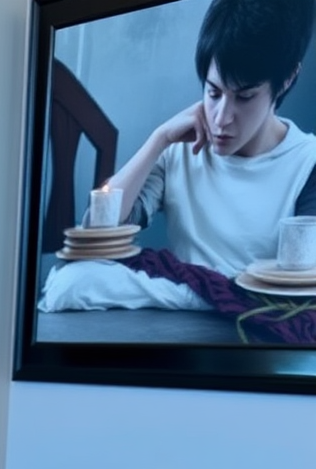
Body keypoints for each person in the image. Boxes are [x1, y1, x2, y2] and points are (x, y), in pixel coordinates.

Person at [105, 0, 316, 276]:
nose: (221, 118)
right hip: (178, 310)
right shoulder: (179, 148)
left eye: (244, 97)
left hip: (254, 315)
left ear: (287, 79)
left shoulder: (306, 163)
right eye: (213, 92)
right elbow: (101, 227)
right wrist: (158, 140)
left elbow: (303, 282)